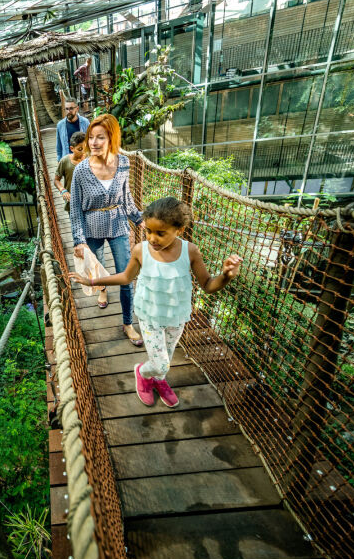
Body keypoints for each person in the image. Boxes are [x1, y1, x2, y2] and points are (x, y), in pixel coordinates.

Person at [70, 197, 243, 408]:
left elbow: (208, 285)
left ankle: (159, 380)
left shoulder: (190, 251)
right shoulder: (140, 250)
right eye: (149, 231)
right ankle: (142, 373)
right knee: (161, 362)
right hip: (149, 315)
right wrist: (92, 281)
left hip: (176, 315)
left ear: (179, 230)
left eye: (161, 233)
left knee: (166, 358)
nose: (152, 238)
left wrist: (226, 276)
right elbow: (126, 277)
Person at [69, 114, 143, 343]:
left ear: (111, 138)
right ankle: (102, 289)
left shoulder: (124, 163)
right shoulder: (81, 170)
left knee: (126, 276)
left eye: (100, 137)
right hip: (91, 228)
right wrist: (79, 240)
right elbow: (75, 208)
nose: (94, 143)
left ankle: (128, 323)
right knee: (97, 268)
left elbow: (126, 198)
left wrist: (140, 220)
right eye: (91, 137)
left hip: (118, 223)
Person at [54, 131, 87, 212]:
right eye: (80, 149)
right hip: (73, 201)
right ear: (72, 148)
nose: (83, 152)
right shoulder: (65, 161)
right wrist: (63, 191)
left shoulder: (89, 159)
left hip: (88, 201)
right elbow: (56, 180)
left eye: (86, 148)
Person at [55, 94, 89, 161]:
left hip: (83, 159)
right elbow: (59, 146)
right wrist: (59, 161)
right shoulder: (60, 125)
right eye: (67, 109)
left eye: (71, 108)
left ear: (77, 108)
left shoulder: (85, 122)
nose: (69, 111)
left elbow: (89, 141)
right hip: (68, 160)